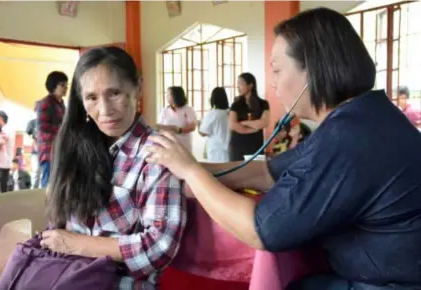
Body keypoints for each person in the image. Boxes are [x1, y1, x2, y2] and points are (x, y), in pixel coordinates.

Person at [145, 7, 421, 290]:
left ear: (313, 72)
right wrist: (186, 166)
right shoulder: (361, 117)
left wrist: (191, 172)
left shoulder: (349, 136)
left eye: (277, 70)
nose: (273, 83)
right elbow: (266, 172)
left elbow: (262, 230)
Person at [35, 47, 186, 289]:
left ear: (138, 87)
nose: (105, 111)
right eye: (92, 98)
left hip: (119, 282)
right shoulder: (75, 147)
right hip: (65, 274)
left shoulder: (157, 153)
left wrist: (77, 244)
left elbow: (158, 247)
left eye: (114, 93)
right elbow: (59, 225)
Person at [36, 71, 68, 188]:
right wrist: (63, 129)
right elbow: (42, 126)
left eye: (66, 84)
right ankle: (45, 206)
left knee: (58, 183)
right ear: (54, 86)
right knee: (48, 184)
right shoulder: (45, 103)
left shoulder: (61, 104)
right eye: (63, 85)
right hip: (48, 150)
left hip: (59, 149)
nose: (66, 87)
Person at [229, 73, 270, 161]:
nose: (238, 87)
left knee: (255, 172)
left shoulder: (263, 104)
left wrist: (243, 123)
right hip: (237, 147)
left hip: (256, 146)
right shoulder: (235, 105)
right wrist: (252, 129)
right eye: (237, 84)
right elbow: (233, 125)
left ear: (250, 85)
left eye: (241, 83)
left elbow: (264, 123)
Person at [157, 86, 197, 152]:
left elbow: (192, 126)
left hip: (184, 145)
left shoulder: (188, 109)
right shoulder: (165, 111)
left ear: (175, 96)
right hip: (168, 145)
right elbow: (159, 127)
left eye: (168, 94)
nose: (166, 96)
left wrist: (178, 130)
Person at [198, 87, 230, 162]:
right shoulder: (230, 112)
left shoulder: (213, 114)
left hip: (216, 152)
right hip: (229, 150)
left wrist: (198, 124)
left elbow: (203, 133)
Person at [26, 104, 41, 188]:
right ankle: (34, 191)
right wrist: (33, 141)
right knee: (36, 172)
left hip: (48, 152)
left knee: (46, 174)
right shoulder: (32, 123)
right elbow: (27, 136)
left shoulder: (49, 122)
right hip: (36, 152)